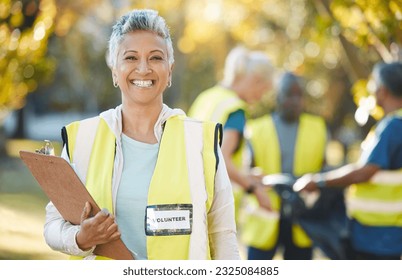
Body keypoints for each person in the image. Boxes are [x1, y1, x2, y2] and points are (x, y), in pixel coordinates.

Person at [43, 9, 240, 260]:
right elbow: (52, 226)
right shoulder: (83, 138)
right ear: (115, 70)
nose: (144, 69)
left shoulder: (200, 141)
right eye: (131, 57)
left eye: (156, 58)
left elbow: (223, 234)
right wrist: (80, 239)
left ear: (170, 70)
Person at [294, 62, 402, 260]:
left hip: (377, 237)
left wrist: (319, 181)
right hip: (387, 235)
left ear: (383, 91)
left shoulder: (393, 127)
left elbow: (365, 171)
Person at [241, 72, 329, 260]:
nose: (295, 100)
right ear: (278, 96)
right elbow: (246, 172)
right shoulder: (255, 129)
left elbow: (324, 169)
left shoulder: (318, 127)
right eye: (290, 94)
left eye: (299, 95)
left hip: (301, 218)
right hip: (266, 216)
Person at [187, 46, 275, 222]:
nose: (259, 98)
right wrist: (253, 188)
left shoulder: (206, 97)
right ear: (256, 81)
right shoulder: (236, 109)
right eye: (263, 91)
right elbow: (222, 160)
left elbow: (205, 152)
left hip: (189, 196)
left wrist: (244, 174)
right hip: (216, 207)